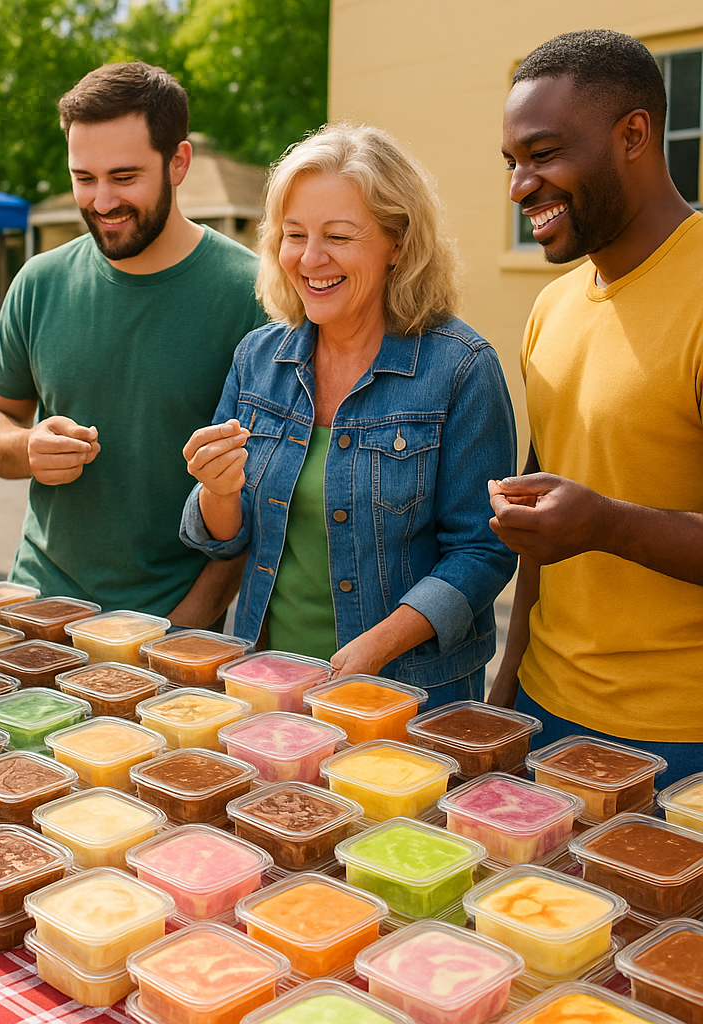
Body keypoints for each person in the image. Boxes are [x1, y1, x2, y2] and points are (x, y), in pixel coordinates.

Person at [180, 123, 517, 704]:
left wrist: (376, 647)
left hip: (409, 697)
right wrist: (216, 491)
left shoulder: (461, 369)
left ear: (399, 244)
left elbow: (484, 552)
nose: (310, 259)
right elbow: (223, 541)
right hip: (269, 688)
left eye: (338, 236)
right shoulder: (259, 359)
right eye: (294, 235)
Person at [0, 62, 266, 625]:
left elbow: (268, 493)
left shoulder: (251, 294)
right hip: (34, 609)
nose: (101, 201)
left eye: (124, 177)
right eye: (84, 177)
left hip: (168, 626)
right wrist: (26, 446)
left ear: (178, 163)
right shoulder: (38, 281)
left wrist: (186, 625)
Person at [490, 29, 703, 780]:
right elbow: (541, 520)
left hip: (679, 743)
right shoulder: (551, 308)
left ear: (634, 135)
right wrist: (510, 675)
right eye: (513, 164)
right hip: (546, 714)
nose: (520, 188)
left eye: (544, 155)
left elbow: (584, 518)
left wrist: (606, 523)